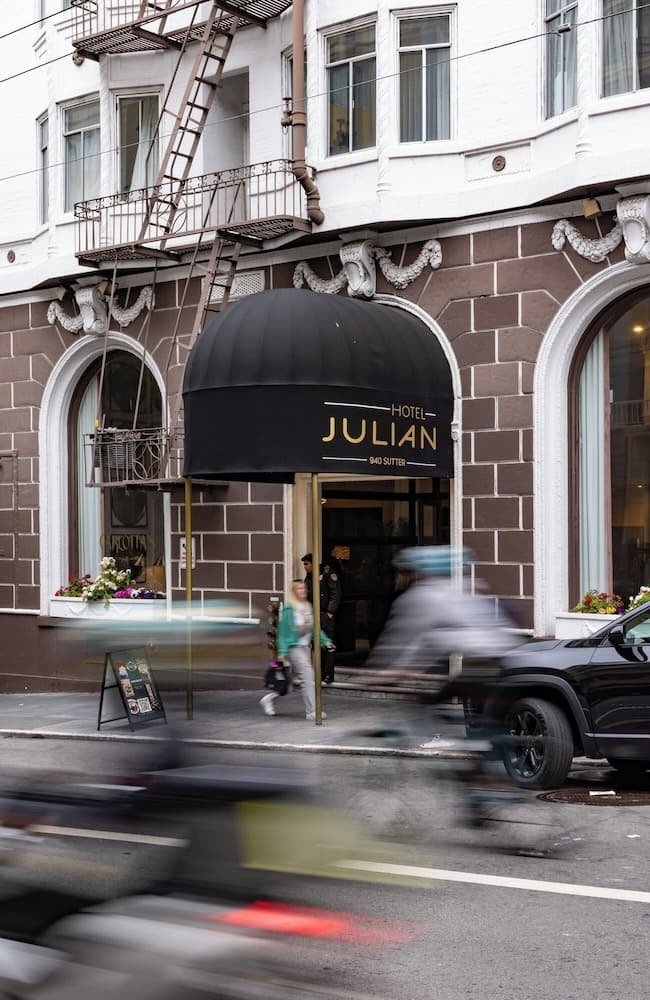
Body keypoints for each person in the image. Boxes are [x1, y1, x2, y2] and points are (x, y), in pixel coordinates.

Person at [260, 579, 334, 720]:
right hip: (293, 648)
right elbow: (283, 632)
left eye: (304, 588)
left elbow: (314, 628)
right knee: (308, 677)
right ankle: (312, 711)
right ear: (294, 591)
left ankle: (268, 699)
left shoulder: (307, 607)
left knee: (287, 682)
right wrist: (282, 652)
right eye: (300, 588)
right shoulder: (289, 609)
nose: (303, 590)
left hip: (305, 648)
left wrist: (325, 641)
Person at [302, 553, 342, 684]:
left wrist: (330, 612)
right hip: (312, 614)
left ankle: (328, 675)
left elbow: (335, 593)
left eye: (306, 564)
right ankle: (320, 673)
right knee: (316, 645)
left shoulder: (327, 574)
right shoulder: (309, 577)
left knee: (326, 645)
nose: (305, 567)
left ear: (313, 563)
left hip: (324, 613)